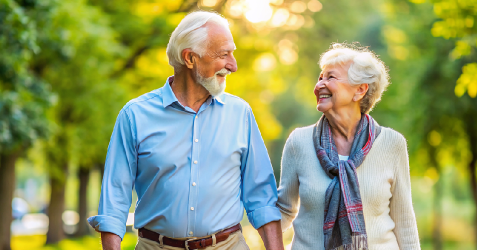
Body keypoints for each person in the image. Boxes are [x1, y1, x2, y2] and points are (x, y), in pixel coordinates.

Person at [88, 11, 283, 250]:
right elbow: (114, 202)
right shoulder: (135, 115)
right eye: (224, 55)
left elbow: (261, 197)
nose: (233, 65)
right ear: (190, 58)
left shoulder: (240, 113)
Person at [276, 43, 421, 250]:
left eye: (330, 78)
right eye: (320, 78)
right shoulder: (299, 142)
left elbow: (404, 220)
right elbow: (283, 209)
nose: (319, 85)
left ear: (360, 90)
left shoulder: (392, 143)